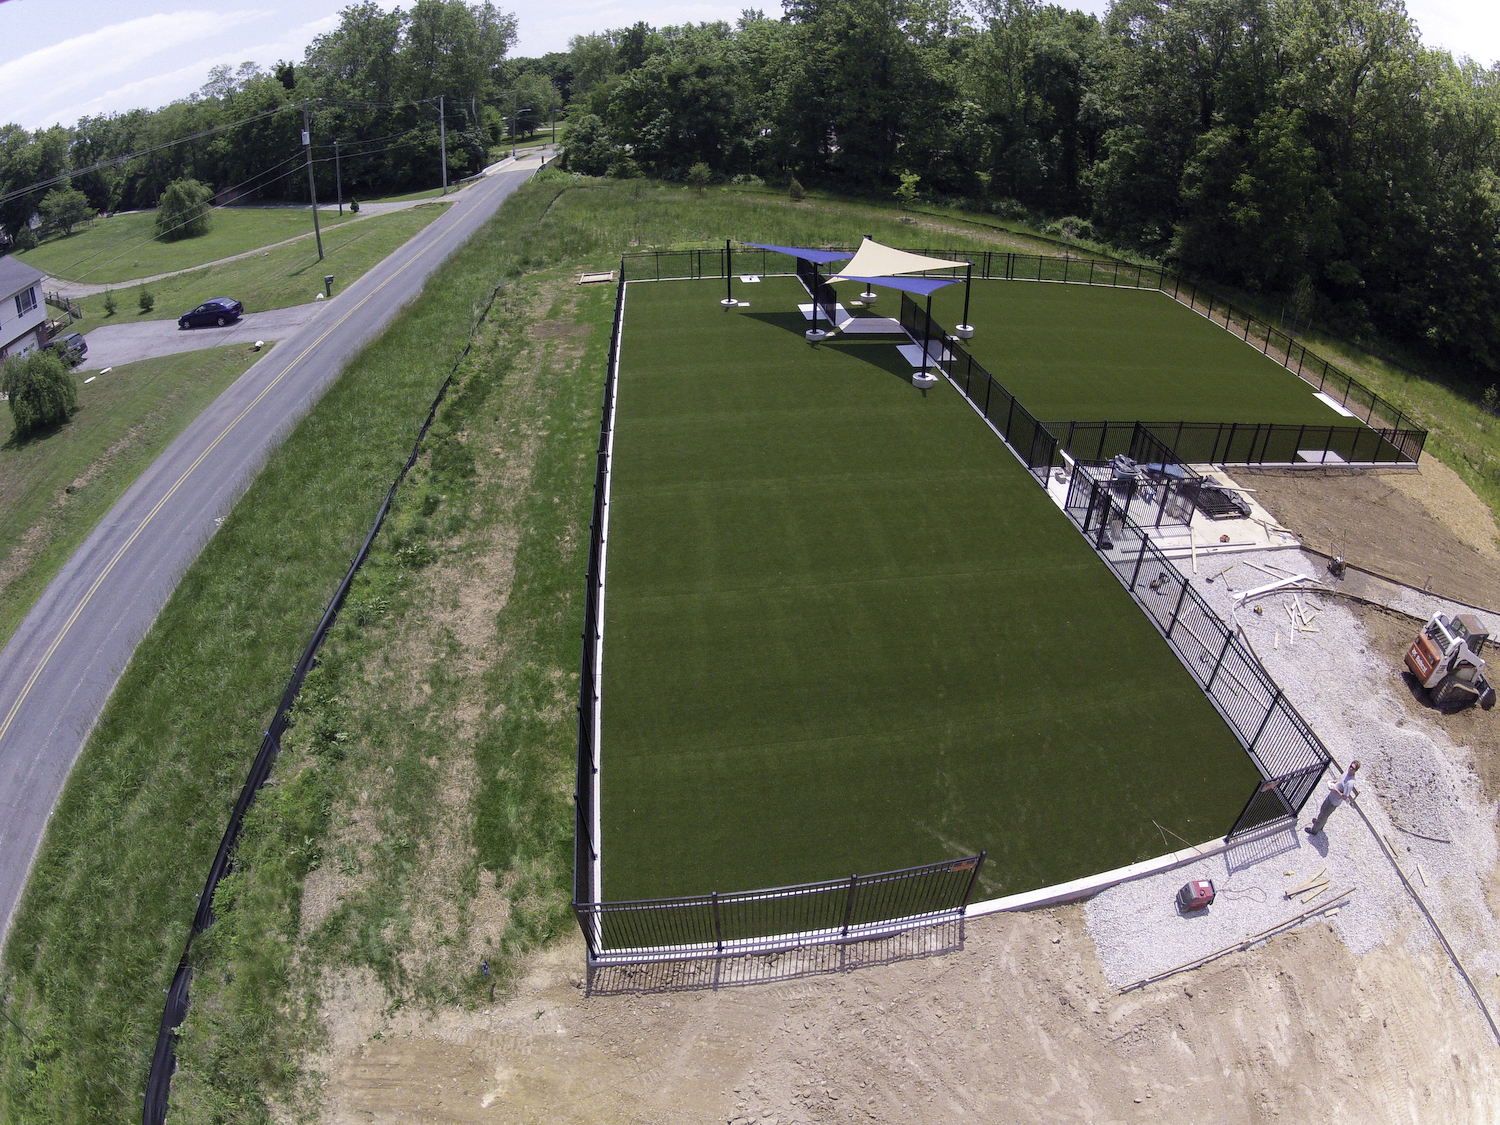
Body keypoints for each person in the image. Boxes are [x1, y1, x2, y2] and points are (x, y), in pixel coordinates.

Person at [1306, 760, 1360, 835]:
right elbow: (1341, 779)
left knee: (1324, 815)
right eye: (1350, 766)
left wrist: (1335, 790)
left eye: (1353, 768)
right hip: (1331, 796)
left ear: (1355, 770)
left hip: (1334, 801)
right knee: (1323, 810)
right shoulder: (1347, 772)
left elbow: (1345, 797)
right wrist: (1334, 781)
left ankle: (1314, 830)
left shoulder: (1350, 783)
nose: (1350, 768)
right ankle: (1320, 824)